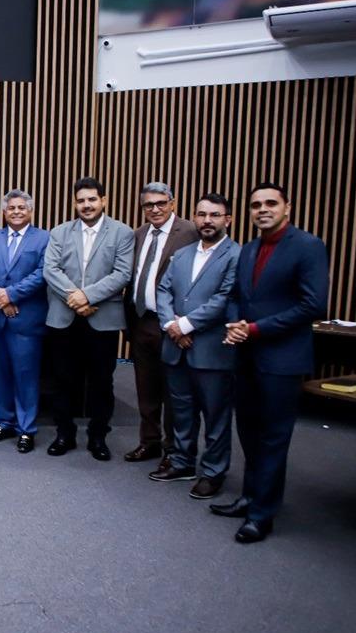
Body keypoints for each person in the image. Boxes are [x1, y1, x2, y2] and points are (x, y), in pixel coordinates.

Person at [214, 183, 328, 543]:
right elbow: (235, 295)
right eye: (255, 205)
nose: (262, 209)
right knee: (248, 430)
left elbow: (313, 305)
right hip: (246, 356)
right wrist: (235, 324)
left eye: (270, 203)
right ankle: (250, 497)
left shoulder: (308, 246)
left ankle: (263, 514)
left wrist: (255, 329)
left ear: (287, 208)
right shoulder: (249, 249)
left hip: (282, 358)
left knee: (274, 436)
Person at [152, 194, 240, 499]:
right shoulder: (184, 253)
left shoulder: (234, 255)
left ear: (227, 220)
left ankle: (213, 472)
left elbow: (224, 298)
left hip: (211, 349)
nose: (207, 221)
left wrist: (185, 325)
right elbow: (162, 290)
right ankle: (182, 462)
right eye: (202, 214)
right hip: (176, 346)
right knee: (182, 410)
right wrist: (170, 326)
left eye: (215, 215)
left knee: (215, 415)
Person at [42, 176, 134, 461]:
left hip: (102, 318)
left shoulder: (122, 233)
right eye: (81, 200)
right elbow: (50, 269)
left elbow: (122, 273)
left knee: (101, 382)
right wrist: (76, 297)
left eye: (92, 199)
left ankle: (97, 437)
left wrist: (88, 296)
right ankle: (64, 434)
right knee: (63, 380)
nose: (87, 205)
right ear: (74, 203)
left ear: (103, 200)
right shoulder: (59, 232)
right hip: (64, 317)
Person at [123, 182, 198, 469]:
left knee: (174, 390)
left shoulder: (189, 232)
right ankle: (149, 442)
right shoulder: (138, 234)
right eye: (148, 205)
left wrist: (186, 323)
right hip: (141, 321)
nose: (154, 209)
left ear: (173, 203)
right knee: (146, 386)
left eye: (160, 203)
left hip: (172, 324)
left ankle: (173, 449)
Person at [0, 190, 49, 453]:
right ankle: (4, 422)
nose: (17, 212)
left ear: (30, 211)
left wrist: (11, 294)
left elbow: (43, 273)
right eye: (12, 208)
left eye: (22, 207)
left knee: (26, 376)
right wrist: (0, 297)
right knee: (0, 375)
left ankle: (26, 429)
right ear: (4, 211)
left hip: (26, 319)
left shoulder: (43, 238)